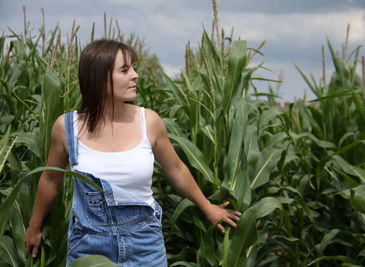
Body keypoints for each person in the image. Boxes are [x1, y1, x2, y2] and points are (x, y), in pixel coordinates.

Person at [24, 39, 241, 266]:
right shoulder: (67, 127)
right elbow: (50, 180)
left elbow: (176, 170)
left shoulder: (149, 121)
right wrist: (34, 227)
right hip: (89, 245)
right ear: (99, 77)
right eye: (125, 70)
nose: (135, 75)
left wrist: (208, 207)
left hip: (144, 245)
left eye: (134, 68)